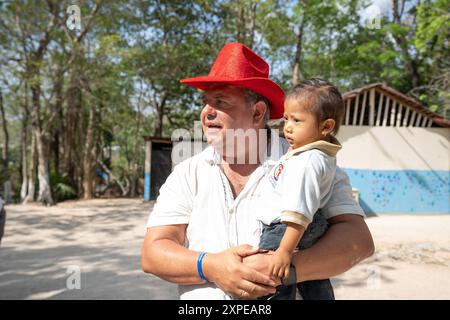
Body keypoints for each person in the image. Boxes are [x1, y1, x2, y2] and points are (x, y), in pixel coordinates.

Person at [141, 42, 374, 300]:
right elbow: (153, 254)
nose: (206, 112)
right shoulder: (188, 172)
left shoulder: (308, 161)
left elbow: (358, 241)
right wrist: (212, 267)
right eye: (205, 102)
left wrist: (284, 269)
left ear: (257, 112)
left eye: (220, 101)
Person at [257, 78, 346, 299]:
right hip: (308, 227)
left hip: (283, 230)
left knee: (272, 281)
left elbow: (299, 213)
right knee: (313, 278)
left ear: (326, 126)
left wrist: (284, 251)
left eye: (297, 121)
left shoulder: (306, 161)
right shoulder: (312, 155)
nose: (287, 127)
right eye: (286, 118)